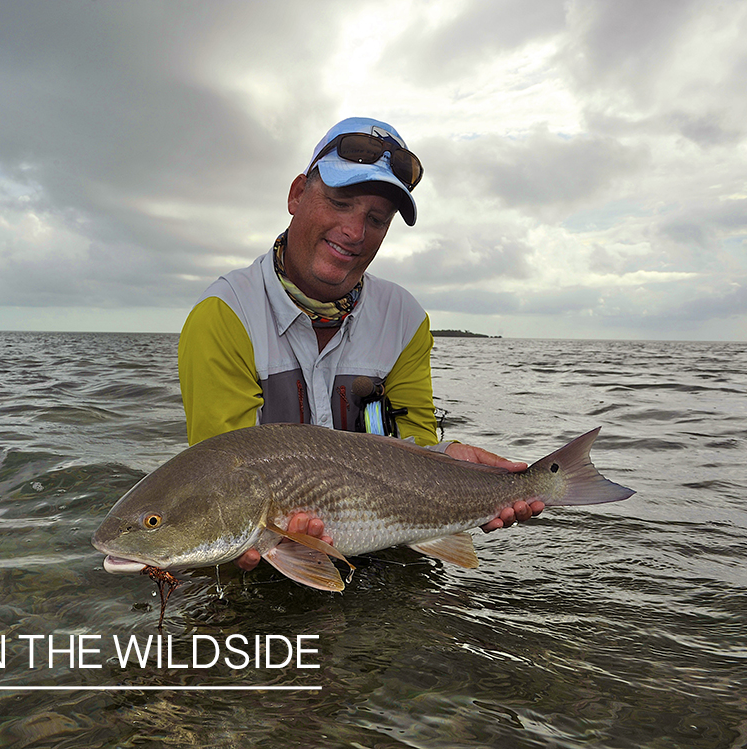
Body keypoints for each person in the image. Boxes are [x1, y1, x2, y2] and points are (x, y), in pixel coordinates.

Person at [177, 116, 542, 571]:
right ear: (296, 195)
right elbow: (220, 485)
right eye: (340, 202)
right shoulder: (223, 314)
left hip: (385, 540)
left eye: (376, 218)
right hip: (266, 555)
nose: (354, 232)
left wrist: (453, 463)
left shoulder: (405, 317)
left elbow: (416, 446)